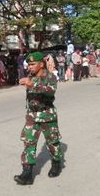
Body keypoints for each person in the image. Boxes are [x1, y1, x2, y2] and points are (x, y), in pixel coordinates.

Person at [14, 52, 63, 185]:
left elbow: (50, 91)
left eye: (32, 64)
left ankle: (57, 164)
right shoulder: (31, 76)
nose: (29, 67)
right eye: (28, 64)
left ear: (41, 64)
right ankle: (27, 174)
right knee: (28, 142)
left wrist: (31, 85)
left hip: (47, 114)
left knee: (52, 143)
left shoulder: (50, 76)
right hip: (32, 116)